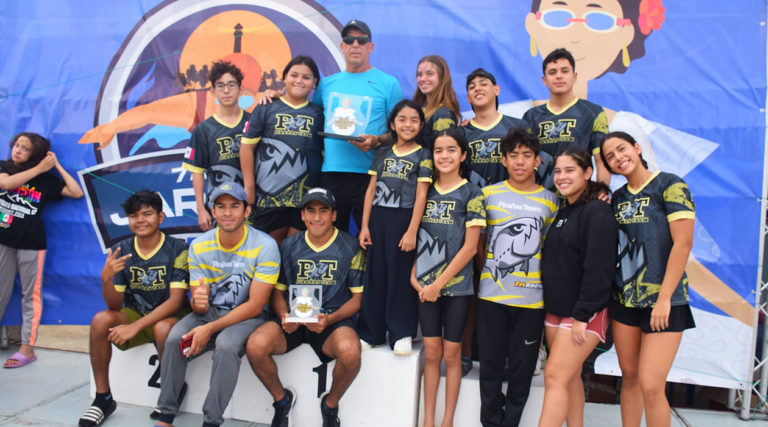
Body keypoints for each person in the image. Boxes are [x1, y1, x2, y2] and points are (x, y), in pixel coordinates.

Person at [154, 181, 280, 427]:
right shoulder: (200, 245)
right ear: (212, 211)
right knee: (175, 339)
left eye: (234, 206)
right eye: (221, 207)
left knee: (226, 345)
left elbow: (255, 306)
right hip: (211, 312)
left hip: (247, 317)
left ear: (246, 211)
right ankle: (165, 414)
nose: (227, 213)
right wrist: (198, 303)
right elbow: (200, 305)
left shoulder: (265, 245)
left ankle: (211, 421)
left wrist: (209, 329)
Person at [246, 187, 365, 427]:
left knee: (351, 352)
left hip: (330, 321)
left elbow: (357, 300)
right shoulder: (288, 245)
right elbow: (277, 292)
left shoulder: (351, 245)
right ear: (302, 215)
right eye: (310, 211)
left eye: (324, 211)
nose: (317, 217)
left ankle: (329, 406)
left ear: (334, 215)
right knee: (255, 346)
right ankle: (281, 401)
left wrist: (330, 319)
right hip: (294, 320)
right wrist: (284, 316)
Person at [599, 131, 695, 427]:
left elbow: (683, 244)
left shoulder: (670, 184)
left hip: (665, 301)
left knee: (651, 384)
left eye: (622, 149)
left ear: (637, 148)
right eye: (610, 156)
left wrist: (664, 298)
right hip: (625, 300)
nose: (618, 158)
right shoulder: (617, 198)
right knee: (629, 377)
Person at [78, 191, 189, 427]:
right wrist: (105, 279)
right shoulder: (122, 249)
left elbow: (176, 301)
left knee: (162, 328)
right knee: (100, 320)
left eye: (147, 214)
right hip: (137, 313)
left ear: (161, 217)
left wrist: (134, 327)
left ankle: (172, 389)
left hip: (170, 317)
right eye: (134, 216)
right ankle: (103, 399)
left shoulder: (178, 248)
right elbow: (114, 306)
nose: (140, 220)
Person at [476, 127, 558, 427]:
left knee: (522, 372)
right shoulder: (488, 195)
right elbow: (478, 244)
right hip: (491, 297)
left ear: (537, 161)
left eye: (527, 155)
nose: (520, 161)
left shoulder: (551, 201)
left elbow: (550, 248)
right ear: (504, 160)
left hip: (531, 302)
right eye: (513, 155)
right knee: (490, 368)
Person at [538, 148, 617, 427]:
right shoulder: (564, 211)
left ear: (587, 173)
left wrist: (583, 315)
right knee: (568, 377)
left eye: (570, 170)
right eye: (558, 171)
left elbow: (599, 269)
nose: (561, 177)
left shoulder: (598, 211)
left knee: (554, 376)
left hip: (583, 313)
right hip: (556, 310)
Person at [411, 128, 485, 427]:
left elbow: (470, 248)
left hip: (457, 289)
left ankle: (447, 420)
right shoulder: (424, 192)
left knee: (452, 354)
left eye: (451, 149)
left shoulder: (472, 193)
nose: (444, 156)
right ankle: (428, 420)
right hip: (424, 287)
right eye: (438, 150)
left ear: (463, 155)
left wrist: (438, 285)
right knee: (432, 353)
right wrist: (416, 279)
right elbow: (415, 237)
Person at [0, 132, 83, 368]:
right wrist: (39, 169)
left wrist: (56, 166)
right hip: (3, 240)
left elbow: (76, 192)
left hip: (32, 243)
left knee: (31, 296)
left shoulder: (46, 180)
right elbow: (6, 184)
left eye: (25, 148)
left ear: (35, 154)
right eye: (17, 145)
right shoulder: (4, 167)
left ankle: (27, 347)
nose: (17, 150)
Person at [312, 19, 403, 232]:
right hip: (332, 173)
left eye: (361, 40)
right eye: (349, 39)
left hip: (371, 175)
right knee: (332, 239)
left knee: (370, 238)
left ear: (370, 47)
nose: (355, 44)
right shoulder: (326, 84)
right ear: (341, 46)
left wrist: (377, 140)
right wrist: (277, 97)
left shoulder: (389, 84)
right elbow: (310, 116)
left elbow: (401, 132)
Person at [357, 99, 432, 356]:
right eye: (402, 119)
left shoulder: (423, 154)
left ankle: (402, 333)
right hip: (378, 218)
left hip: (404, 219)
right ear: (392, 124)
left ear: (421, 125)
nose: (407, 124)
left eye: (414, 120)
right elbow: (370, 190)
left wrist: (412, 231)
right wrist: (364, 226)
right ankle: (371, 332)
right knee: (375, 274)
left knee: (400, 277)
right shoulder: (382, 153)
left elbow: (421, 194)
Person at [240, 56, 323, 245]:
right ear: (284, 78)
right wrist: (249, 187)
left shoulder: (318, 113)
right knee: (269, 249)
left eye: (306, 77)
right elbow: (246, 147)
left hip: (305, 198)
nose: (299, 81)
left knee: (295, 249)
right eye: (294, 75)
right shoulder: (266, 107)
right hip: (268, 197)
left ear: (314, 83)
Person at [522, 48, 610, 190]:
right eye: (552, 72)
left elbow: (601, 162)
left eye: (564, 71)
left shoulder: (593, 112)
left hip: (579, 197)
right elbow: (524, 161)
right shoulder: (531, 116)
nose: (558, 76)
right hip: (541, 197)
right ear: (544, 80)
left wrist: (602, 192)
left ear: (574, 76)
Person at [181, 61, 250, 232]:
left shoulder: (253, 122)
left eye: (231, 85)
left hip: (251, 206)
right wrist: (201, 210)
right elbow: (197, 171)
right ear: (212, 91)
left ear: (240, 89)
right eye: (220, 86)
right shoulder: (203, 129)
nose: (226, 90)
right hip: (220, 207)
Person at [462, 68, 529, 189]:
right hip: (473, 199)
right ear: (468, 98)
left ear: (496, 90)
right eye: (472, 87)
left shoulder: (519, 127)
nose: (477, 88)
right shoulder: (461, 133)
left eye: (483, 84)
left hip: (511, 198)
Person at [413, 55, 460, 148]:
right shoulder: (419, 109)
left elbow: (443, 150)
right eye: (419, 74)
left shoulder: (443, 113)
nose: (423, 79)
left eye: (429, 73)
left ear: (442, 77)